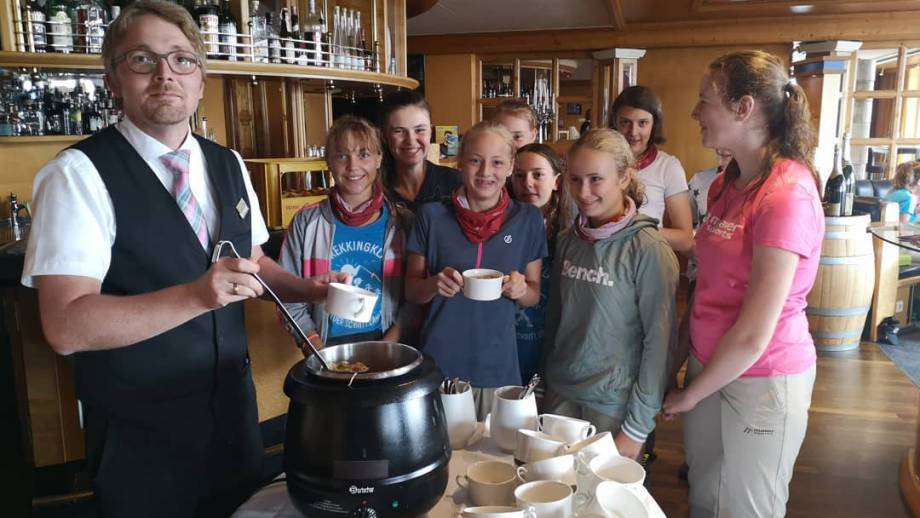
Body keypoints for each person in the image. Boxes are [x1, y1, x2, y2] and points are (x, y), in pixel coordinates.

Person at [20, 2, 347, 516]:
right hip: (141, 433)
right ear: (113, 81)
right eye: (143, 60)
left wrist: (311, 289)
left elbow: (253, 261)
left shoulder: (229, 163)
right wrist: (196, 295)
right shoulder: (77, 176)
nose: (165, 75)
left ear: (201, 80)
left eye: (181, 60)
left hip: (232, 415)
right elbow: (65, 325)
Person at [663, 50, 824, 518]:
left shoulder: (787, 195)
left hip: (763, 377)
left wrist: (690, 394)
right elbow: (706, 283)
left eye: (704, 100)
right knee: (705, 498)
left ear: (744, 107)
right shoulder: (725, 183)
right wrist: (680, 356)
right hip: (708, 365)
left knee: (748, 509)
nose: (695, 112)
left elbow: (756, 332)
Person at [542, 129, 678, 461]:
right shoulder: (567, 240)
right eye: (575, 180)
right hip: (560, 395)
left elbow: (660, 344)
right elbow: (555, 320)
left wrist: (636, 428)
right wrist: (544, 383)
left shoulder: (648, 249)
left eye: (595, 179)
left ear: (624, 177)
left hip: (613, 406)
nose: (583, 192)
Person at [405, 121, 547, 418]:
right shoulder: (431, 217)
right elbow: (411, 291)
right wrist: (434, 284)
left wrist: (521, 289)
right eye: (475, 161)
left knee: (494, 460)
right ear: (459, 163)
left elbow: (533, 293)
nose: (485, 172)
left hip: (499, 367)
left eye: (497, 162)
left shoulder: (528, 219)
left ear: (510, 167)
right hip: (440, 366)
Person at [278, 116, 417, 348]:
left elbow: (414, 299)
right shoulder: (306, 222)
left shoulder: (404, 223)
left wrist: (388, 346)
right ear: (328, 162)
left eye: (364, 155)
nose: (353, 167)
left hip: (388, 341)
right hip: (323, 344)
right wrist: (313, 344)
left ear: (379, 159)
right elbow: (286, 294)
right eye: (342, 156)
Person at [509, 143, 571, 385]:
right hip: (511, 343)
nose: (527, 183)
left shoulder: (570, 234)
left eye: (538, 174)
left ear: (556, 181)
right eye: (519, 175)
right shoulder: (501, 230)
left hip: (553, 343)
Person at [611, 86, 694, 252]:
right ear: (615, 122)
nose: (633, 132)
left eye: (642, 123)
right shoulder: (599, 162)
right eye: (625, 122)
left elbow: (685, 239)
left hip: (647, 260)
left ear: (654, 124)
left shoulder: (668, 167)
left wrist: (633, 231)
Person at [380, 90, 461, 212]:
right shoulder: (376, 191)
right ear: (384, 136)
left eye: (420, 130)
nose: (411, 140)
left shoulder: (456, 184)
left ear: (430, 132)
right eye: (399, 131)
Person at [686, 148, 733, 289]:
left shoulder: (758, 184)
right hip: (700, 274)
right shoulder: (699, 180)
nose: (722, 147)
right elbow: (691, 225)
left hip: (736, 280)